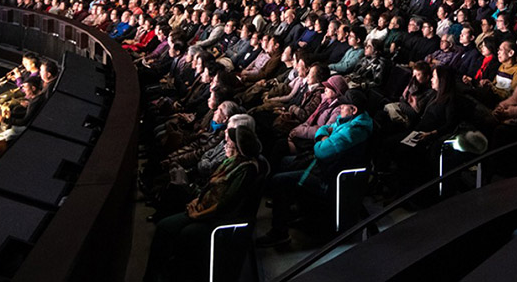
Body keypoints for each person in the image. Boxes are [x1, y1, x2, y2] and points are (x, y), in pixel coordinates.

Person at [143, 123, 264, 282]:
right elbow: (212, 186)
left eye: (229, 144)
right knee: (166, 223)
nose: (225, 146)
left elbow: (226, 202)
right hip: (205, 206)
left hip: (217, 216)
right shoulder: (231, 162)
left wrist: (199, 210)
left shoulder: (246, 169)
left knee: (173, 228)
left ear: (238, 148)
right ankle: (158, 274)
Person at [257, 89, 373, 247]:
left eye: (343, 106)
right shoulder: (348, 121)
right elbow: (326, 127)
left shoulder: (354, 131)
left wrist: (323, 137)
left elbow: (321, 151)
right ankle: (295, 209)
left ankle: (279, 233)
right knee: (285, 161)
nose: (339, 109)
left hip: (329, 178)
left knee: (279, 181)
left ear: (354, 110)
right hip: (325, 167)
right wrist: (324, 135)